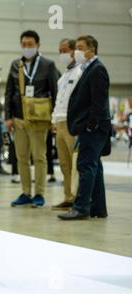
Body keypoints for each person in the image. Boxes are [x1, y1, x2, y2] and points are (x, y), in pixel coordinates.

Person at [58, 35, 112, 220]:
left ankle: (81, 208)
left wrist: (90, 126)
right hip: (91, 127)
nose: (77, 52)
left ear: (92, 49)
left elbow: (99, 103)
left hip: (93, 128)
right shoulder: (89, 69)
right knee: (95, 168)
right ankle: (98, 208)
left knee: (85, 166)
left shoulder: (97, 70)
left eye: (80, 48)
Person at [4, 30, 59, 207]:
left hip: (39, 120)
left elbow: (55, 92)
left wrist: (54, 119)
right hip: (18, 119)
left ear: (38, 45)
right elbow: (8, 93)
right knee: (21, 158)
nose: (27, 47)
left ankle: (39, 193)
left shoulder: (48, 65)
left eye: (30, 44)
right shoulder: (15, 65)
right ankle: (26, 192)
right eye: (24, 44)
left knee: (39, 157)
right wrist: (8, 117)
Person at [51, 38, 83, 210]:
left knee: (75, 163)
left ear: (73, 52)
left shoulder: (80, 72)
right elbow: (59, 99)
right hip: (60, 123)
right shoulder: (63, 75)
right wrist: (54, 119)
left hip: (72, 123)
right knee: (64, 163)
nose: (62, 54)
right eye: (60, 51)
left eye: (65, 50)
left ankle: (78, 198)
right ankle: (68, 196)